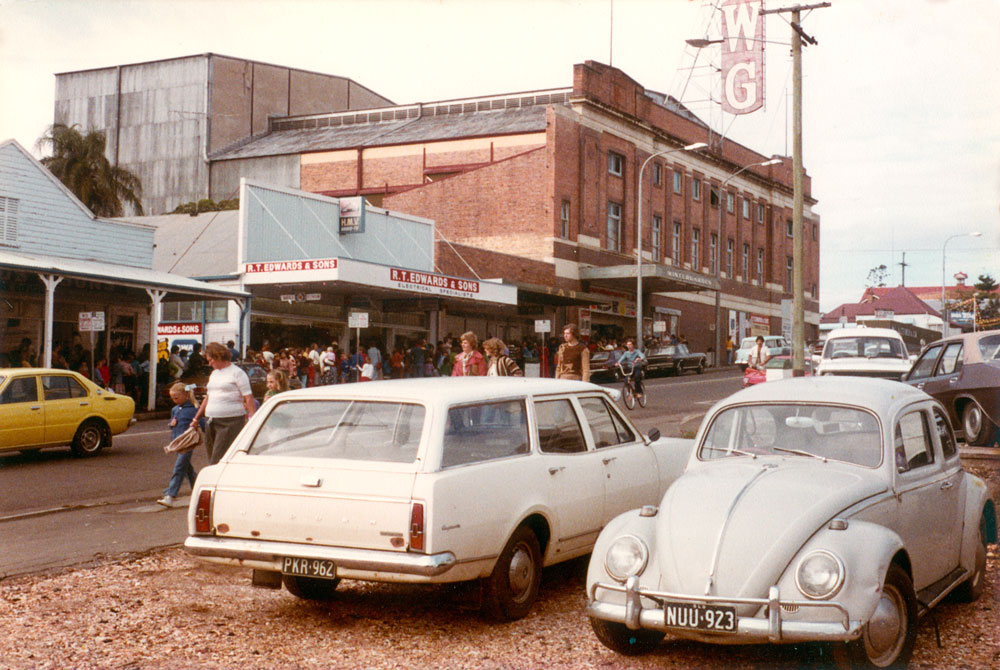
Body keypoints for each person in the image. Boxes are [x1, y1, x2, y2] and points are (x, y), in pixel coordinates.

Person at [188, 342, 256, 465]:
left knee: (218, 458)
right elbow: (208, 397)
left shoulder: (237, 373)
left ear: (218, 357)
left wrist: (252, 419)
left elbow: (248, 397)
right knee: (212, 456)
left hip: (230, 421)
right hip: (211, 420)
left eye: (211, 360)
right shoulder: (214, 374)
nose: (209, 364)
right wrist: (196, 418)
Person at [158, 382, 203, 508]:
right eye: (172, 398)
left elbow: (202, 423)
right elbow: (172, 424)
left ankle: (171, 495)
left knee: (179, 468)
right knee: (187, 469)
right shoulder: (175, 410)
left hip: (188, 443)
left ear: (185, 395)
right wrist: (171, 424)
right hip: (178, 443)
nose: (174, 400)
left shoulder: (194, 409)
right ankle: (198, 489)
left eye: (176, 397)